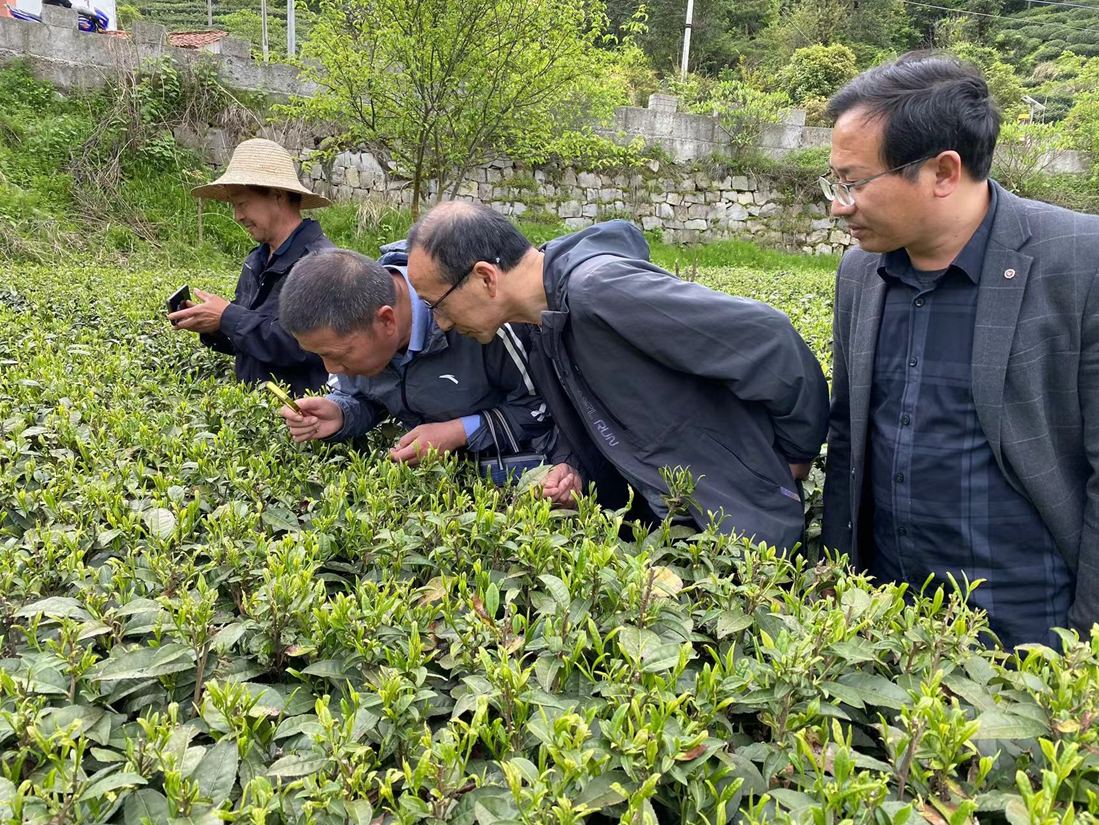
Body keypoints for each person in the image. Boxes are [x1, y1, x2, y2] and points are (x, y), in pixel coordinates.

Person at [819, 53, 1099, 648]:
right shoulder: (859, 274)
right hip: (886, 612)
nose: (839, 205)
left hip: (1030, 620)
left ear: (944, 171)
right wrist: (840, 583)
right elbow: (848, 436)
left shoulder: (1080, 262)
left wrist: (1085, 646)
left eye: (853, 183)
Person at [405, 204, 830, 549]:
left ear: (485, 278)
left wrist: (794, 455)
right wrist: (572, 471)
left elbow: (768, 339)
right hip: (673, 531)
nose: (440, 324)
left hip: (745, 532)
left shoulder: (600, 290)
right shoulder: (541, 325)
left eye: (437, 304)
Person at [276, 244, 555, 468]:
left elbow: (543, 407)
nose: (331, 368)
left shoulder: (477, 319)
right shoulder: (353, 317)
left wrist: (457, 432)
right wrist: (340, 413)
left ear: (386, 321)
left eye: (338, 355)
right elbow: (365, 397)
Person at [171, 138, 333, 395]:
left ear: (277, 196)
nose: (237, 216)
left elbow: (305, 348)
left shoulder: (321, 264)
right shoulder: (256, 260)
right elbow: (248, 342)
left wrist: (228, 317)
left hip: (299, 420)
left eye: (242, 203)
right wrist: (215, 326)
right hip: (253, 416)